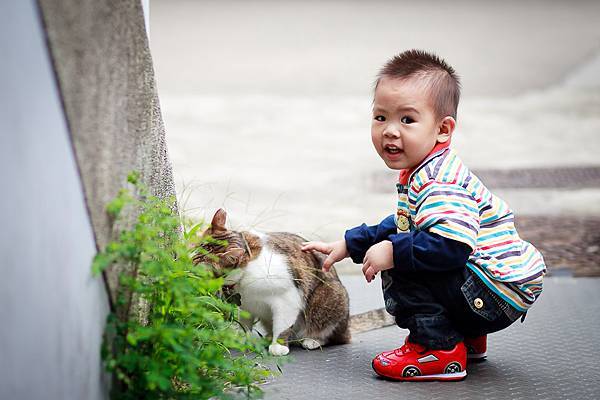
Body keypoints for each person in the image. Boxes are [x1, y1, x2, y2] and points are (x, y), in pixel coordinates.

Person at [301, 49, 546, 381]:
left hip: (493, 294)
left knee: (402, 261)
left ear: (443, 129)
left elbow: (450, 247)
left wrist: (391, 252)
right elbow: (404, 225)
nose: (389, 130)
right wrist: (350, 243)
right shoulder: (426, 167)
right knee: (404, 245)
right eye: (380, 117)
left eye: (407, 120)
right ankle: (465, 336)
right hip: (494, 287)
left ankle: (439, 349)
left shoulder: (437, 182)